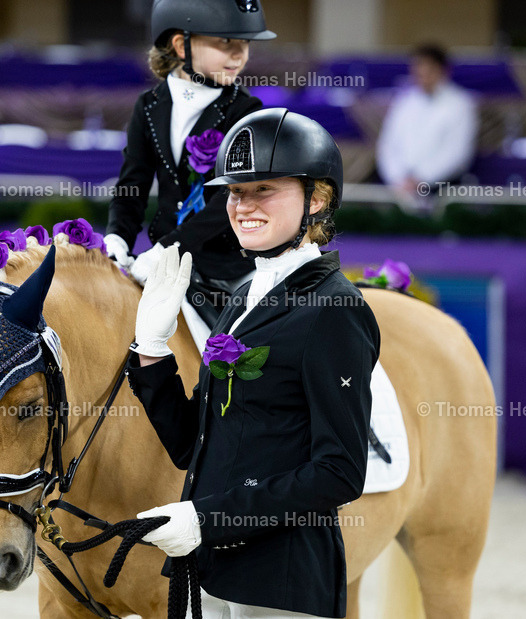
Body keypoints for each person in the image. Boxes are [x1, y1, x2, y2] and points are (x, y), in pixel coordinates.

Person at [126, 108, 380, 618]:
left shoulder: (335, 311)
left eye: (264, 189)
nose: (243, 206)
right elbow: (191, 445)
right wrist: (152, 350)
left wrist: (207, 520)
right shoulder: (244, 295)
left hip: (277, 585)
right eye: (236, 192)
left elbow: (339, 473)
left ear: (319, 198)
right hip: (211, 574)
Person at [104, 0, 275, 293]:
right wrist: (117, 238)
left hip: (228, 268)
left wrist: (168, 249)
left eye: (246, 43)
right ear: (182, 46)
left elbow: (233, 197)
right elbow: (132, 184)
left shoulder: (245, 111)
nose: (240, 55)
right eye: (226, 42)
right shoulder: (149, 106)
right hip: (159, 262)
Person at [375, 44, 479, 195]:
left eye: (429, 70)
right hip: (399, 187)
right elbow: (387, 146)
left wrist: (421, 179)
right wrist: (397, 179)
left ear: (443, 70)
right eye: (418, 69)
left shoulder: (460, 104)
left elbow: (457, 153)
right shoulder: (404, 102)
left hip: (441, 189)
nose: (423, 74)